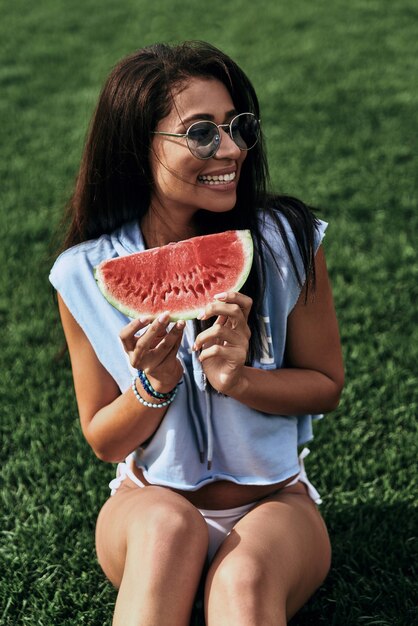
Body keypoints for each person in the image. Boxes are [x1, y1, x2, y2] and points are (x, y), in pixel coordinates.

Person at [50, 40, 344, 626]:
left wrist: (240, 380)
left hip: (274, 502)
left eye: (237, 126)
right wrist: (154, 383)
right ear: (139, 148)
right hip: (146, 503)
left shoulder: (286, 241)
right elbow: (105, 440)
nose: (231, 148)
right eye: (202, 132)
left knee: (243, 583)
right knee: (166, 532)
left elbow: (325, 386)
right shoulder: (85, 273)